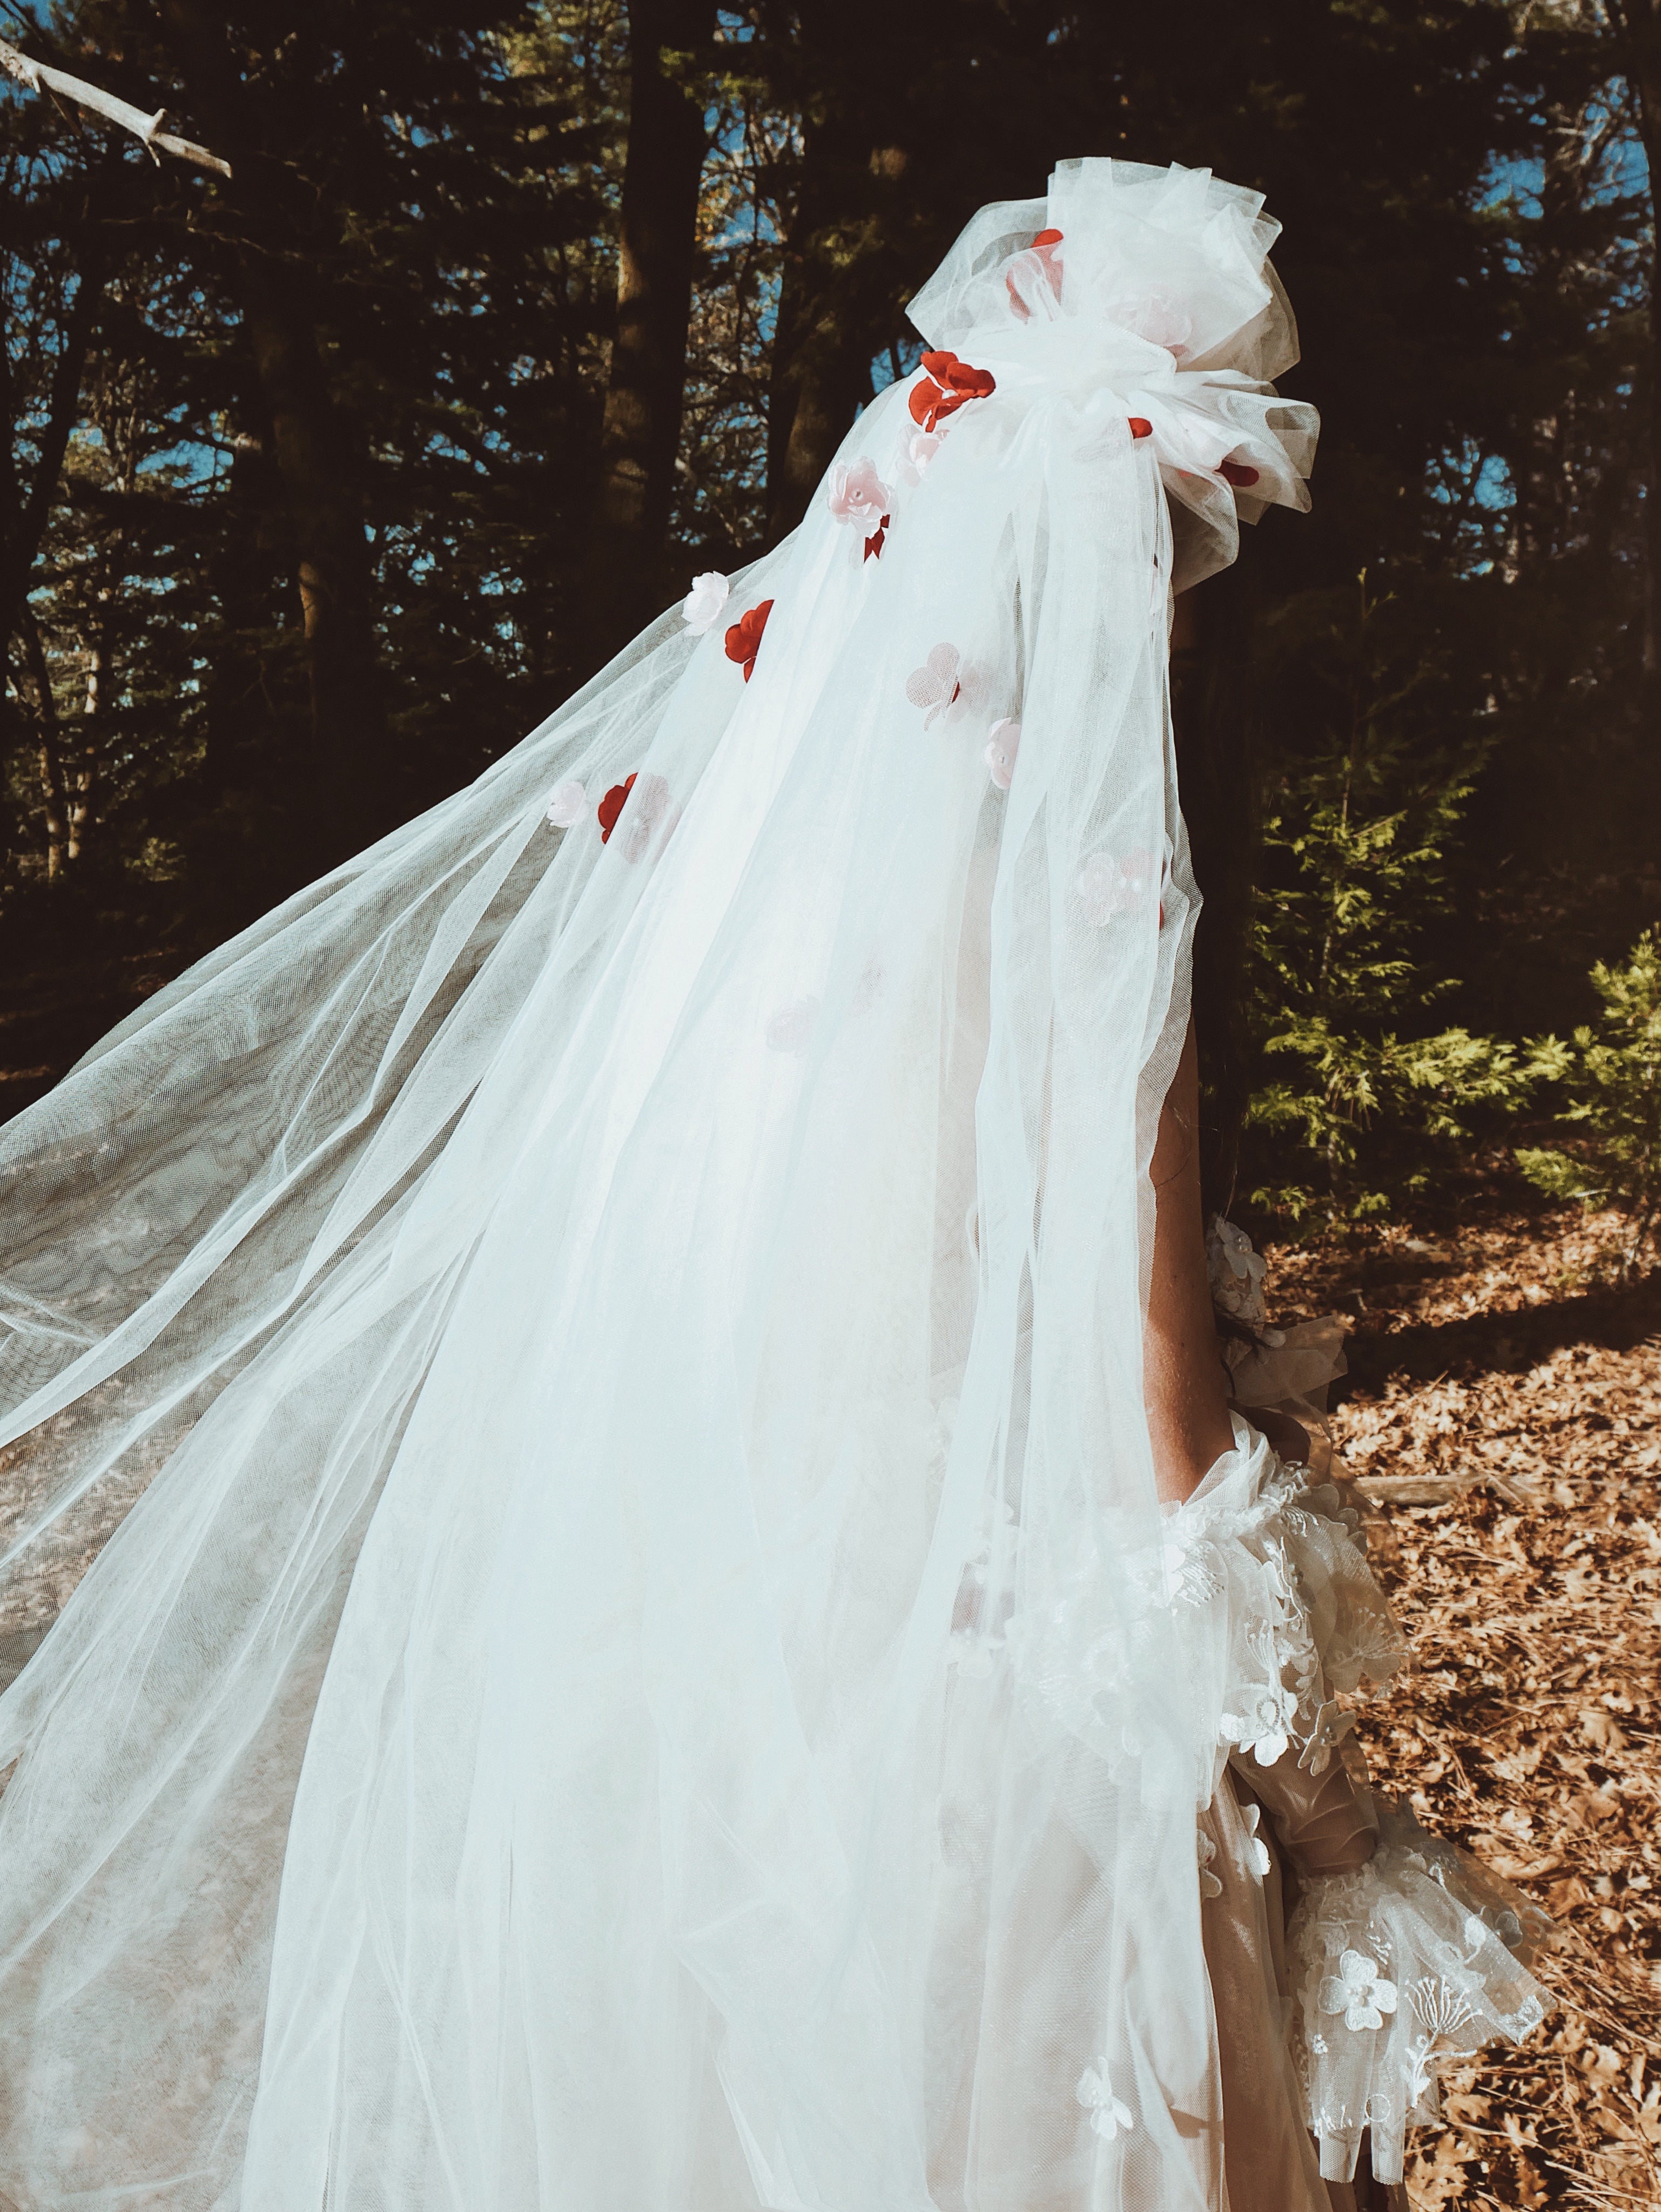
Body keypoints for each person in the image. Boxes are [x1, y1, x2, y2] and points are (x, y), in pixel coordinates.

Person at [0, 158, 1548, 2211]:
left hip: (704, 1742)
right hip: (1001, 1770)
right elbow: (1164, 1457)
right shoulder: (1092, 937)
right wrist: (1338, 1832)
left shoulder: (725, 919)